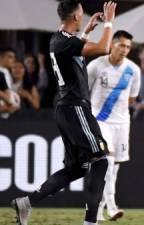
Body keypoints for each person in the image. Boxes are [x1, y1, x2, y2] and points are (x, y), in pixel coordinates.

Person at [11, 1, 116, 225]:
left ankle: (26, 203)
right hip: (75, 106)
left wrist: (87, 31)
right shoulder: (64, 43)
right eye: (81, 12)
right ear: (76, 16)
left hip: (67, 107)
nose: (83, 15)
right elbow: (104, 48)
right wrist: (109, 23)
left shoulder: (58, 39)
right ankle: (90, 221)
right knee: (100, 160)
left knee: (77, 167)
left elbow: (76, 49)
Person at [87, 30, 141, 222]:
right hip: (100, 120)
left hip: (122, 123)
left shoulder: (133, 70)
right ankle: (111, 205)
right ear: (112, 45)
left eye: (128, 47)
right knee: (108, 161)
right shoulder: (96, 66)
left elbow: (132, 98)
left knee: (114, 167)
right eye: (121, 45)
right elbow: (85, 91)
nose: (125, 50)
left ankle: (98, 209)